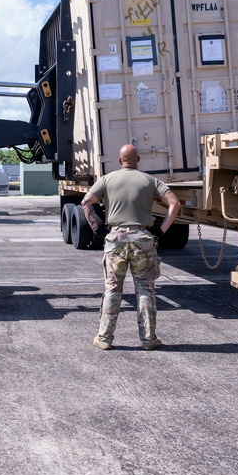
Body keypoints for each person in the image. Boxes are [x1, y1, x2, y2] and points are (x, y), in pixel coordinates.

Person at [81, 144, 181, 351]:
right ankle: (148, 339)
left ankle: (105, 338)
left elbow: (86, 202)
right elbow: (175, 203)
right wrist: (161, 230)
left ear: (120, 161)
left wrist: (96, 228)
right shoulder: (151, 180)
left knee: (112, 290)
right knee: (145, 291)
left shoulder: (107, 179)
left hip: (115, 239)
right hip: (142, 240)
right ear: (138, 160)